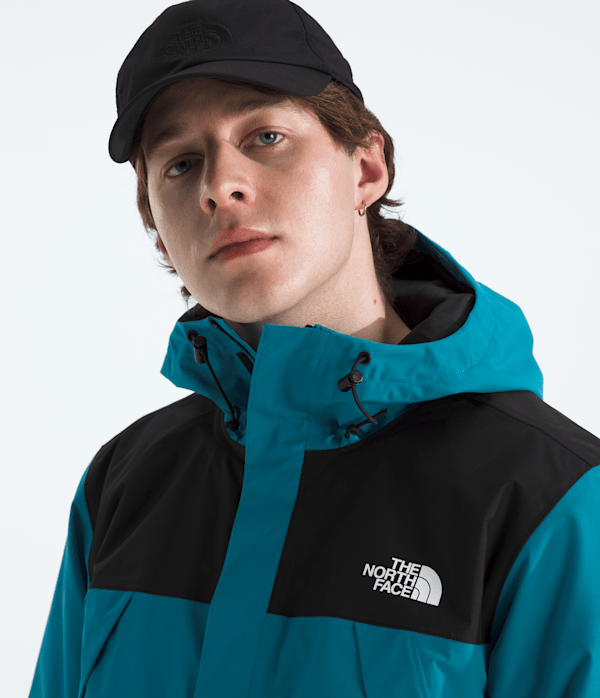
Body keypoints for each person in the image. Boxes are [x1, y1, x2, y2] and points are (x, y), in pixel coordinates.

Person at [28, 1, 600, 696]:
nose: (219, 187)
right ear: (155, 223)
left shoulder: (554, 500)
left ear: (366, 168)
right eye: (180, 164)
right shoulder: (123, 483)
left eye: (266, 136)